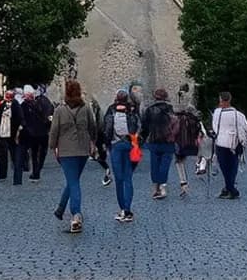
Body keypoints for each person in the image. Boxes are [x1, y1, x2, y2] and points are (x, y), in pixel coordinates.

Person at [49, 80, 98, 233]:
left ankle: (76, 215)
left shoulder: (59, 110)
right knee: (73, 180)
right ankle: (60, 208)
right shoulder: (86, 108)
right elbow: (93, 127)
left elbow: (54, 131)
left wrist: (53, 146)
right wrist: (93, 142)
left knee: (73, 182)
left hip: (66, 151)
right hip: (82, 150)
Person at [103, 89, 139, 222]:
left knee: (119, 179)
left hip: (116, 145)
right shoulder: (132, 110)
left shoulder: (111, 109)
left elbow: (107, 128)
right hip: (130, 144)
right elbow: (138, 126)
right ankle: (128, 209)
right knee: (128, 178)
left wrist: (106, 143)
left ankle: (123, 209)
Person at [140, 88, 176, 201]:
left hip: (154, 140)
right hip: (168, 141)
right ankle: (162, 186)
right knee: (165, 164)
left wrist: (142, 139)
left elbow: (144, 126)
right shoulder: (170, 109)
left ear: (155, 97)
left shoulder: (149, 110)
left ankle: (155, 187)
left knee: (154, 164)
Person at [212, 91, 247, 200]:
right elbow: (245, 127)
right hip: (234, 142)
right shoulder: (238, 114)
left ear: (220, 100)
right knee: (233, 165)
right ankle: (230, 188)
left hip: (221, 141)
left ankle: (230, 188)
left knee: (224, 166)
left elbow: (215, 128)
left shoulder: (217, 113)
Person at [0, 88, 23, 185]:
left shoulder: (16, 105)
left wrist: (18, 130)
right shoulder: (2, 105)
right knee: (3, 156)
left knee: (14, 155)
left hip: (12, 134)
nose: (7, 98)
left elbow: (20, 118)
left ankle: (17, 177)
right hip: (3, 133)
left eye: (9, 96)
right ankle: (2, 175)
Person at [171, 104, 203, 196]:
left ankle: (183, 182)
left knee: (179, 162)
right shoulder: (196, 120)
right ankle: (198, 168)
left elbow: (175, 131)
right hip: (193, 144)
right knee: (196, 157)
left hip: (181, 143)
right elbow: (199, 133)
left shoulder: (179, 119)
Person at [20, 86, 50, 182]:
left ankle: (36, 171)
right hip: (41, 132)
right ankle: (37, 170)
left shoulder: (25, 105)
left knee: (35, 153)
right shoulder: (44, 101)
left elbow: (22, 119)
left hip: (34, 132)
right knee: (40, 152)